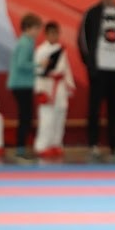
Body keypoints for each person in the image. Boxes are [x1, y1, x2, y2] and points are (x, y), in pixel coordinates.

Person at [78, 0, 115, 159]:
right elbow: (82, 39)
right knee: (94, 109)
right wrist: (90, 63)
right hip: (99, 69)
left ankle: (114, 145)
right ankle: (93, 145)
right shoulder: (92, 13)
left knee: (114, 110)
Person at [33, 21, 75, 159]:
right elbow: (37, 72)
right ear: (46, 34)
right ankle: (42, 146)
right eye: (51, 33)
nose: (54, 36)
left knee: (59, 116)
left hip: (60, 87)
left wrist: (69, 86)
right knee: (47, 118)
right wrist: (40, 91)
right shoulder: (40, 51)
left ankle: (56, 144)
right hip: (47, 86)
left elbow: (66, 69)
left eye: (56, 33)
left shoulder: (61, 50)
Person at [8, 13, 43, 159]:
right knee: (25, 117)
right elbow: (22, 64)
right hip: (21, 85)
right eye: (36, 28)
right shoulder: (25, 43)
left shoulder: (27, 41)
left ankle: (21, 148)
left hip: (23, 84)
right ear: (28, 28)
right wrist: (39, 64)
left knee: (26, 116)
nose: (38, 32)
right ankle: (20, 149)